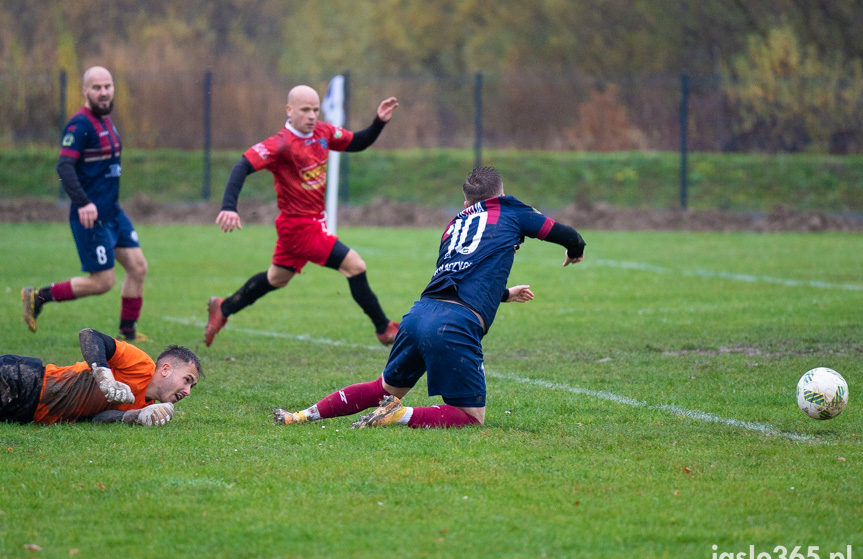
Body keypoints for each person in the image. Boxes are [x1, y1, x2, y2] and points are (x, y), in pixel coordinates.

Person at [273, 166, 586, 429]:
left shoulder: (455, 223)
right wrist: (575, 251)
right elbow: (568, 235)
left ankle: (301, 416)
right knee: (470, 416)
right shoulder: (511, 209)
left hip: (419, 314)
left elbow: (457, 274)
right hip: (455, 323)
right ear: (502, 194)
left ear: (466, 203)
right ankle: (400, 414)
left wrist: (504, 294)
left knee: (381, 388)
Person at [204, 85, 401, 347]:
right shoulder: (279, 145)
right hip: (300, 227)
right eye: (305, 110)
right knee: (355, 266)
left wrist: (378, 122)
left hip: (306, 224)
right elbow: (242, 166)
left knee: (277, 278)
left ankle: (224, 307)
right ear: (289, 110)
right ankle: (384, 329)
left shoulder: (323, 132)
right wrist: (229, 206)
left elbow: (358, 142)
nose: (311, 115)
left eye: (315, 110)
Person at [21, 66, 148, 342]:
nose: (104, 92)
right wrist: (83, 203)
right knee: (103, 282)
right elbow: (65, 166)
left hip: (113, 213)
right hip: (90, 216)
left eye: (108, 86)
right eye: (97, 88)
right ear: (85, 91)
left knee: (138, 267)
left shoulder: (107, 120)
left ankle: (127, 332)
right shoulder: (80, 125)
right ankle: (37, 296)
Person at [0, 328, 202, 426]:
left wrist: (137, 417)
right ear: (165, 369)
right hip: (22, 382)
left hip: (26, 414)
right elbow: (89, 335)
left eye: (191, 387)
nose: (187, 392)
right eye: (187, 380)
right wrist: (104, 377)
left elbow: (98, 418)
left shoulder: (147, 405)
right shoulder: (141, 365)